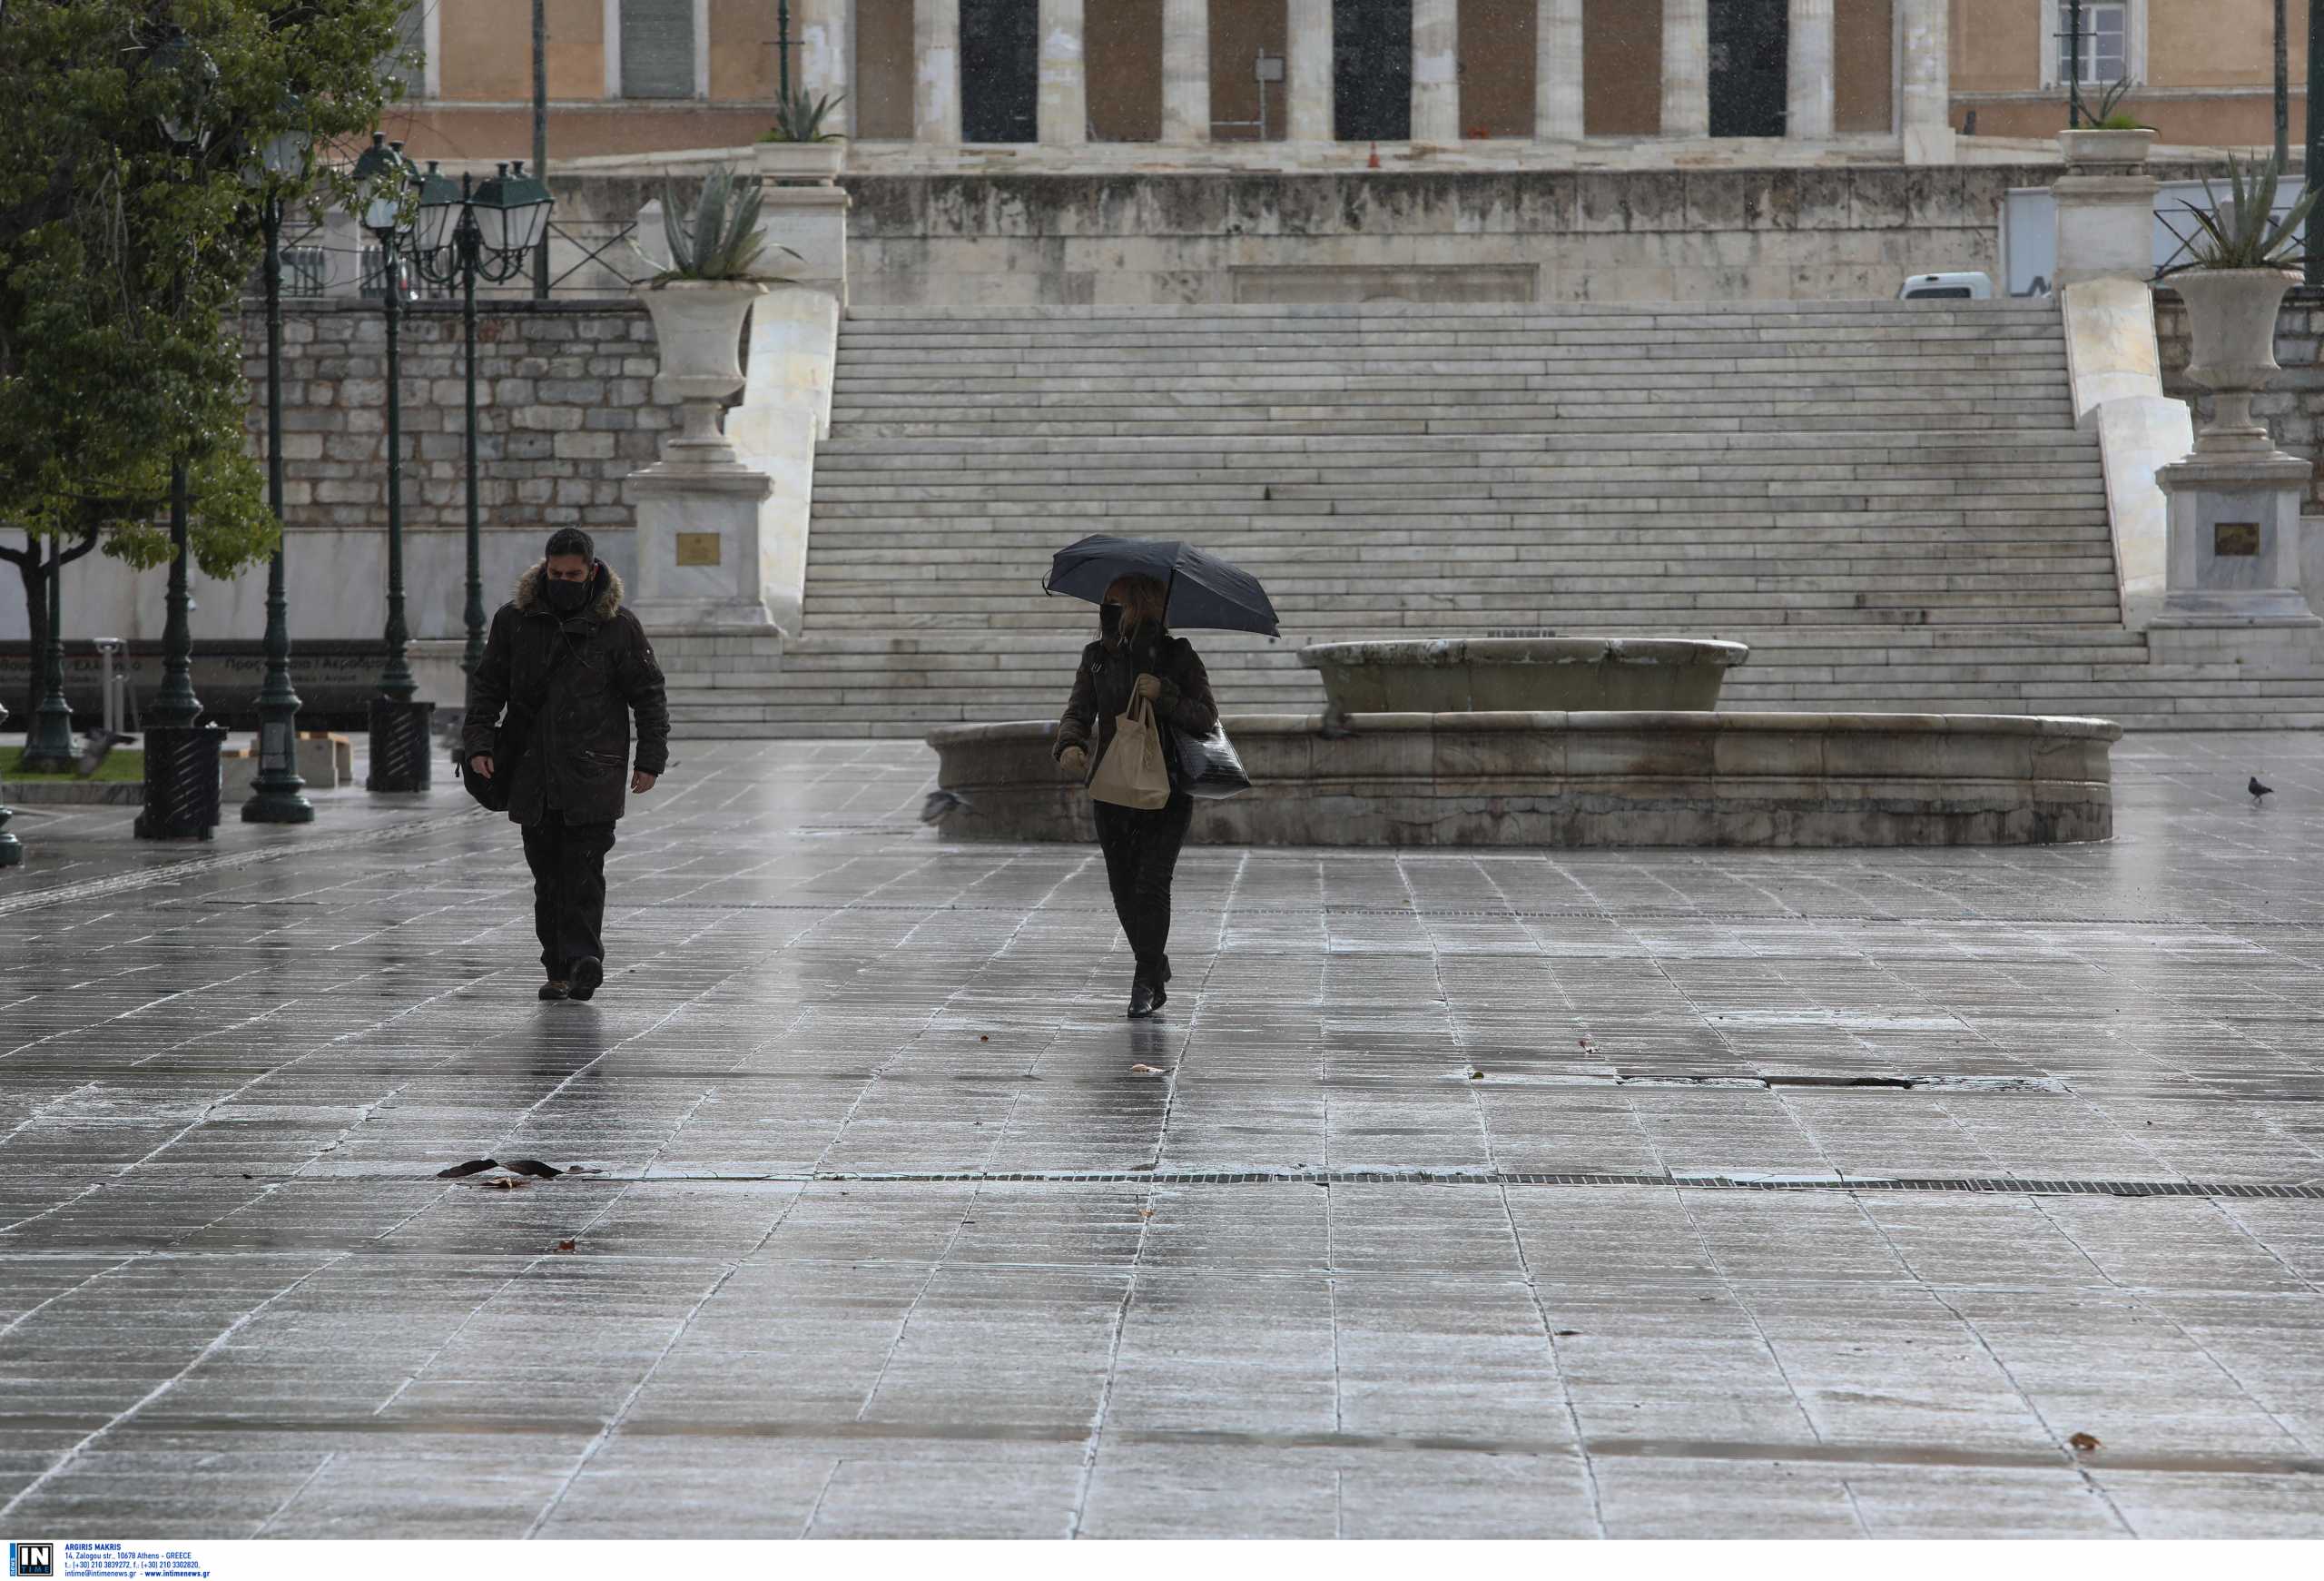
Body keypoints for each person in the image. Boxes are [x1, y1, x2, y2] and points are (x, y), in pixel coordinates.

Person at [463, 528, 669, 1003]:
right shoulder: (514, 622)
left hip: (593, 771)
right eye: (555, 574)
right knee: (547, 877)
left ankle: (582, 959)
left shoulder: (619, 627)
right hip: (533, 773)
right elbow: (488, 687)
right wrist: (478, 744)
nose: (563, 581)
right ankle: (558, 967)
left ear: (592, 572)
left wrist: (651, 759)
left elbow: (649, 696)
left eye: (573, 575)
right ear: (544, 567)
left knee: (584, 869)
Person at [1053, 574, 1217, 1019]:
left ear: (1140, 606)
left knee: (1151, 883)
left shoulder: (1177, 655)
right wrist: (1070, 744)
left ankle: (1145, 982)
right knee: (1124, 888)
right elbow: (1078, 710)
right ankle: (1154, 960)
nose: (1107, 609)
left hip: (1168, 789)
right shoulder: (1097, 659)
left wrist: (1165, 694)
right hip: (1111, 787)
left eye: (1115, 601)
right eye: (1105, 602)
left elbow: (1205, 717)